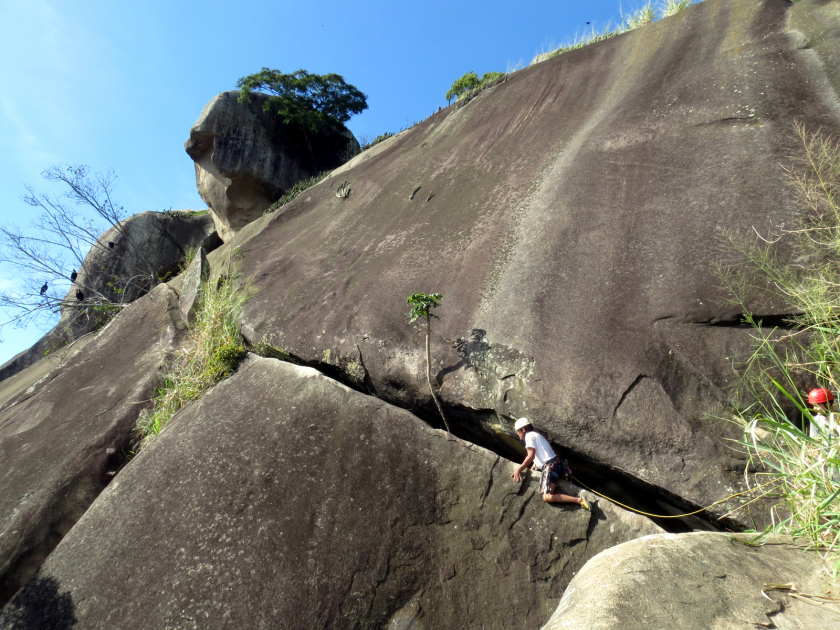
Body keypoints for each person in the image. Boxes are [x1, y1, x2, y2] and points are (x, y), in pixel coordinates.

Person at [510, 417, 591, 510]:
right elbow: (537, 460)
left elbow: (530, 456)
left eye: (518, 431)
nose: (517, 433)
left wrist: (518, 470)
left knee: (547, 496)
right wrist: (530, 470)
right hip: (557, 465)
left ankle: (579, 500)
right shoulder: (536, 436)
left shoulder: (529, 436)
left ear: (523, 430)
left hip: (552, 467)